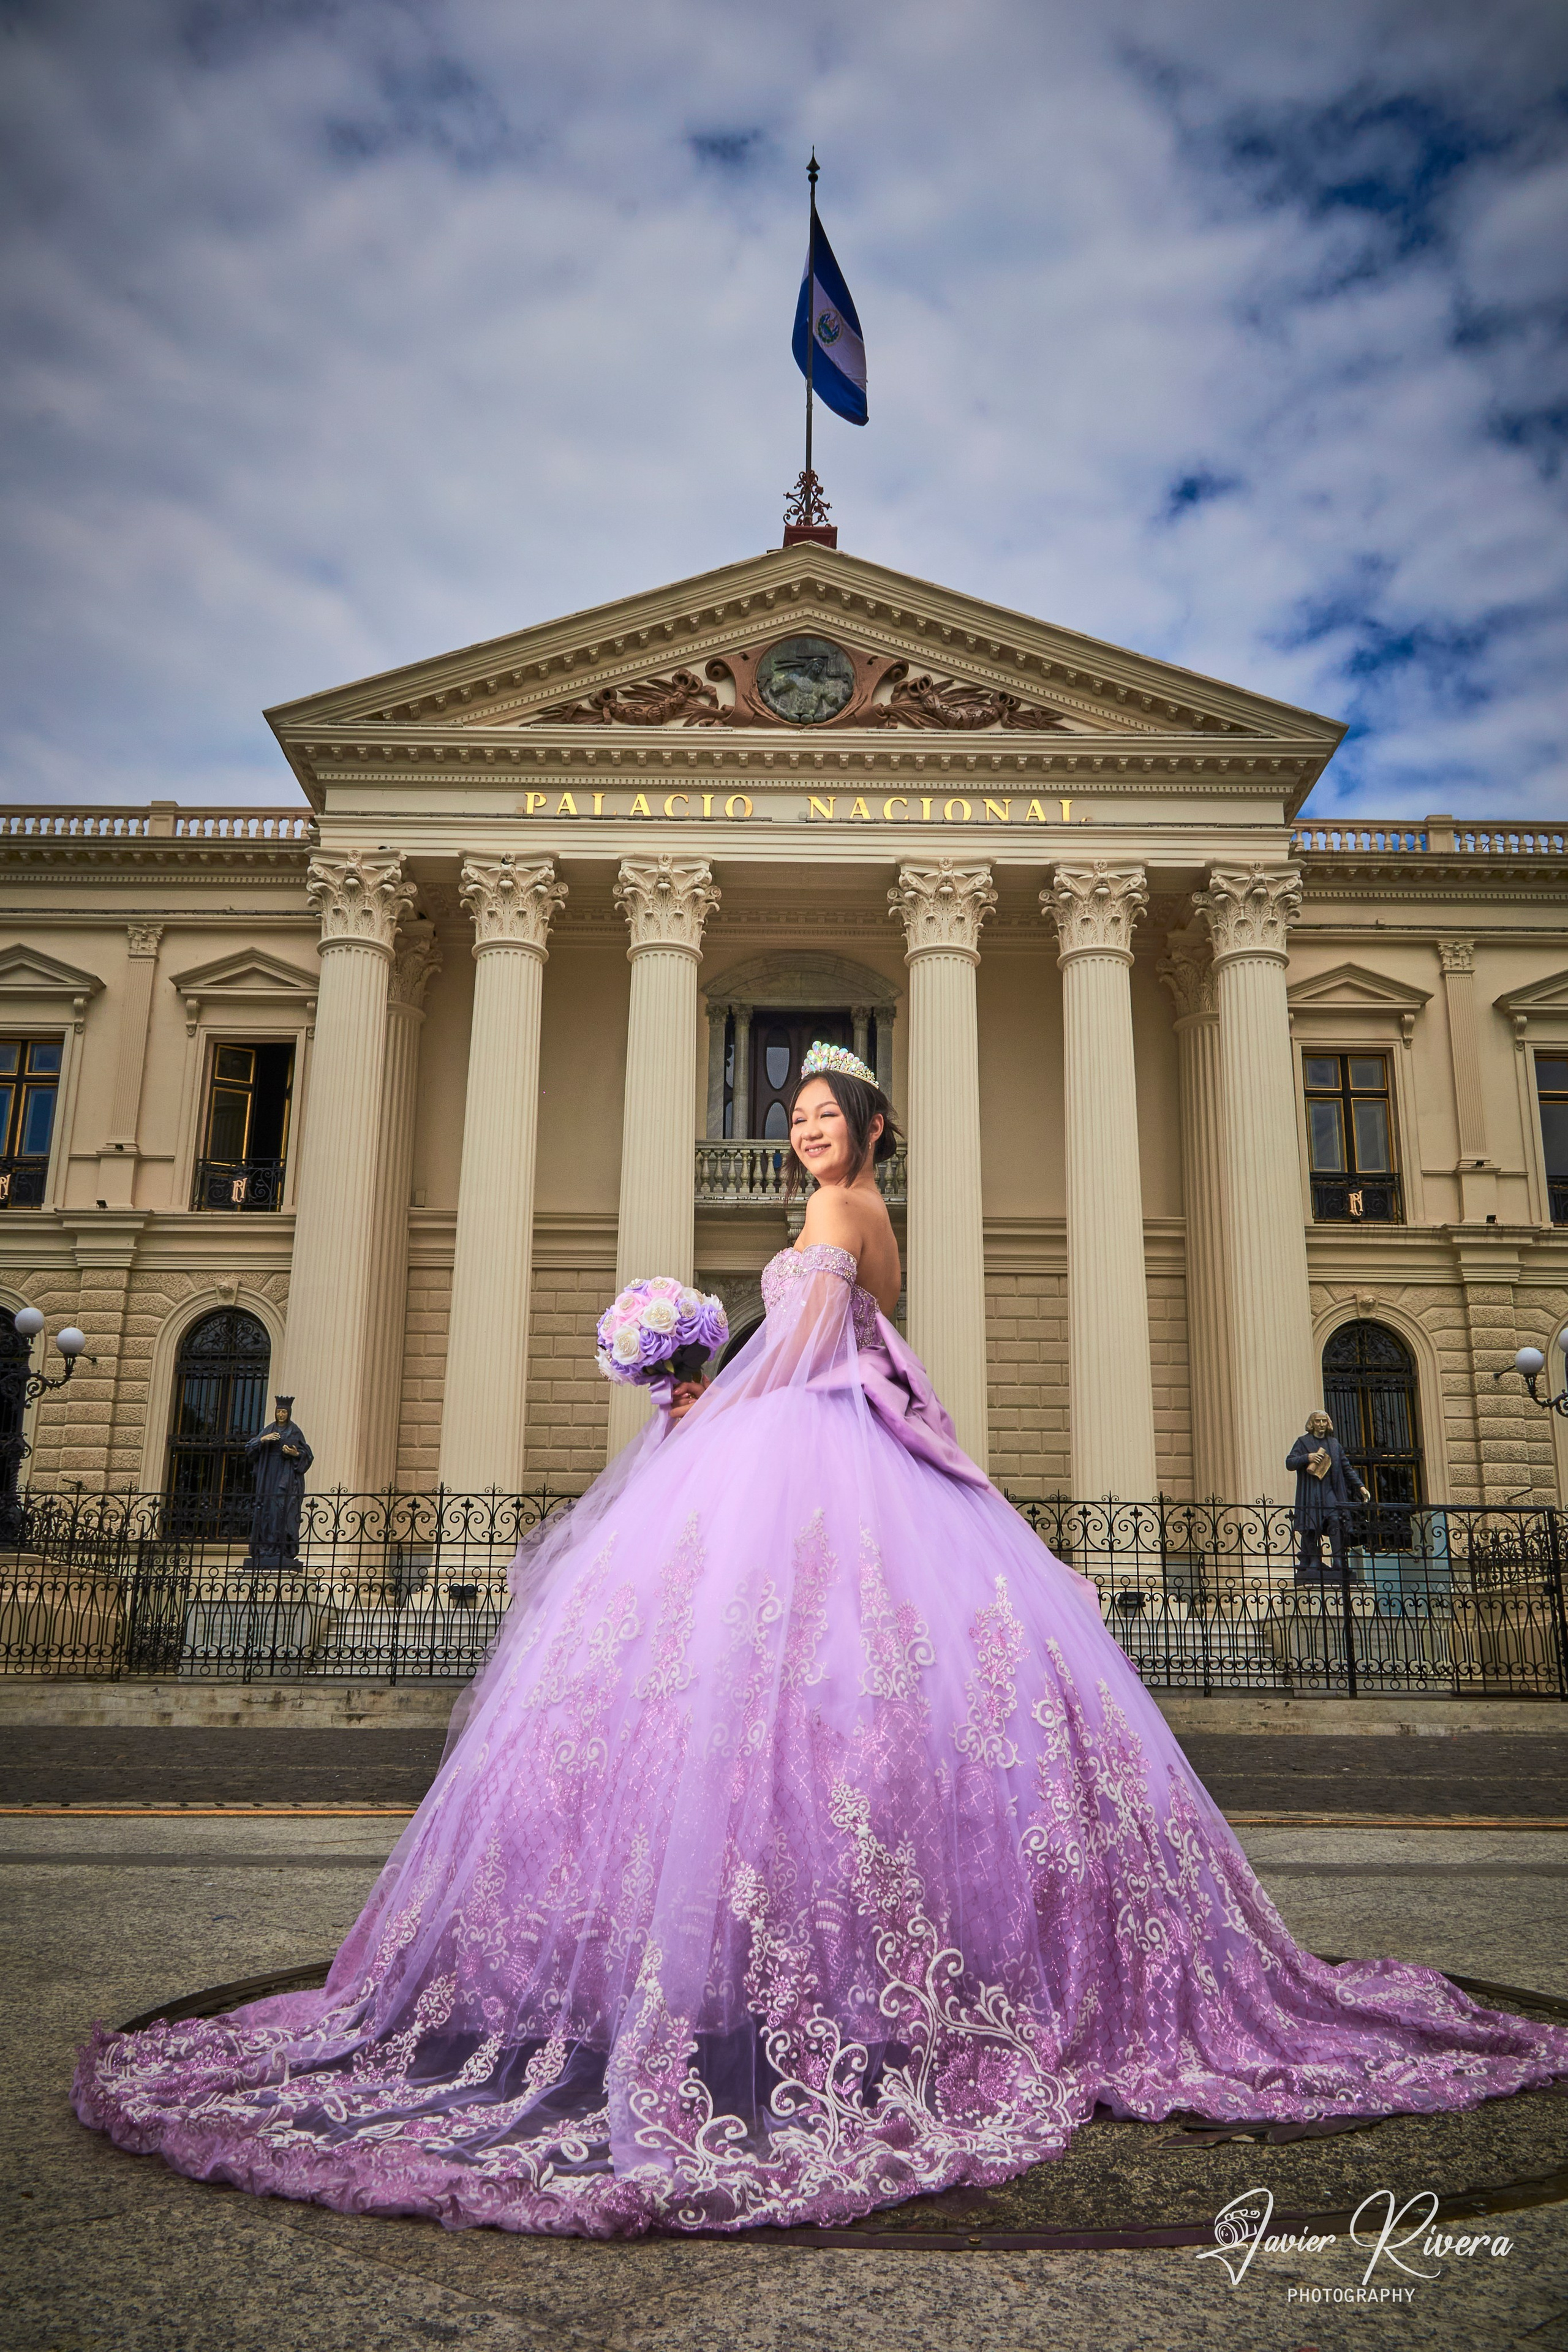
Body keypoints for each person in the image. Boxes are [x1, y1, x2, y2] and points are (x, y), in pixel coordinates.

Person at [74, 1044, 1567, 2237]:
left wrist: (696, 1391)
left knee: (762, 1707)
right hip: (821, 1444)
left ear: (863, 1128)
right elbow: (857, 1348)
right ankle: (808, 1966)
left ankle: (752, 1974)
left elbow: (812, 1349)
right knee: (834, 1712)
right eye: (786, 1111)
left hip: (804, 1449)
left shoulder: (837, 1222)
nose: (799, 1129)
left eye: (818, 1112)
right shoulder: (843, 1222)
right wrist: (701, 1379)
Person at [1287, 1409, 1370, 1584]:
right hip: (1311, 1491)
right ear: (1312, 1424)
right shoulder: (1303, 1442)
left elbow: (1346, 1468)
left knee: (1335, 1520)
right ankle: (1315, 1560)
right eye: (1318, 1421)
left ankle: (1338, 1558)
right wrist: (1307, 1457)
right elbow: (1290, 1462)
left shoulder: (1334, 1444)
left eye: (1324, 1421)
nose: (1321, 1425)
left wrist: (1361, 1487)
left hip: (1330, 1491)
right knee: (1312, 1525)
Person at [243, 1394, 313, 1569]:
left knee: (282, 1510)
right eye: (279, 1412)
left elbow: (307, 1455)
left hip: (286, 1477)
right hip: (269, 1476)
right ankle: (265, 1548)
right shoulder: (269, 1429)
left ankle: (282, 1548)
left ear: (288, 1413)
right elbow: (250, 1448)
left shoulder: (294, 1431)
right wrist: (263, 1440)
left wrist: (294, 1454)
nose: (281, 1415)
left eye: (284, 1412)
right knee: (266, 1509)